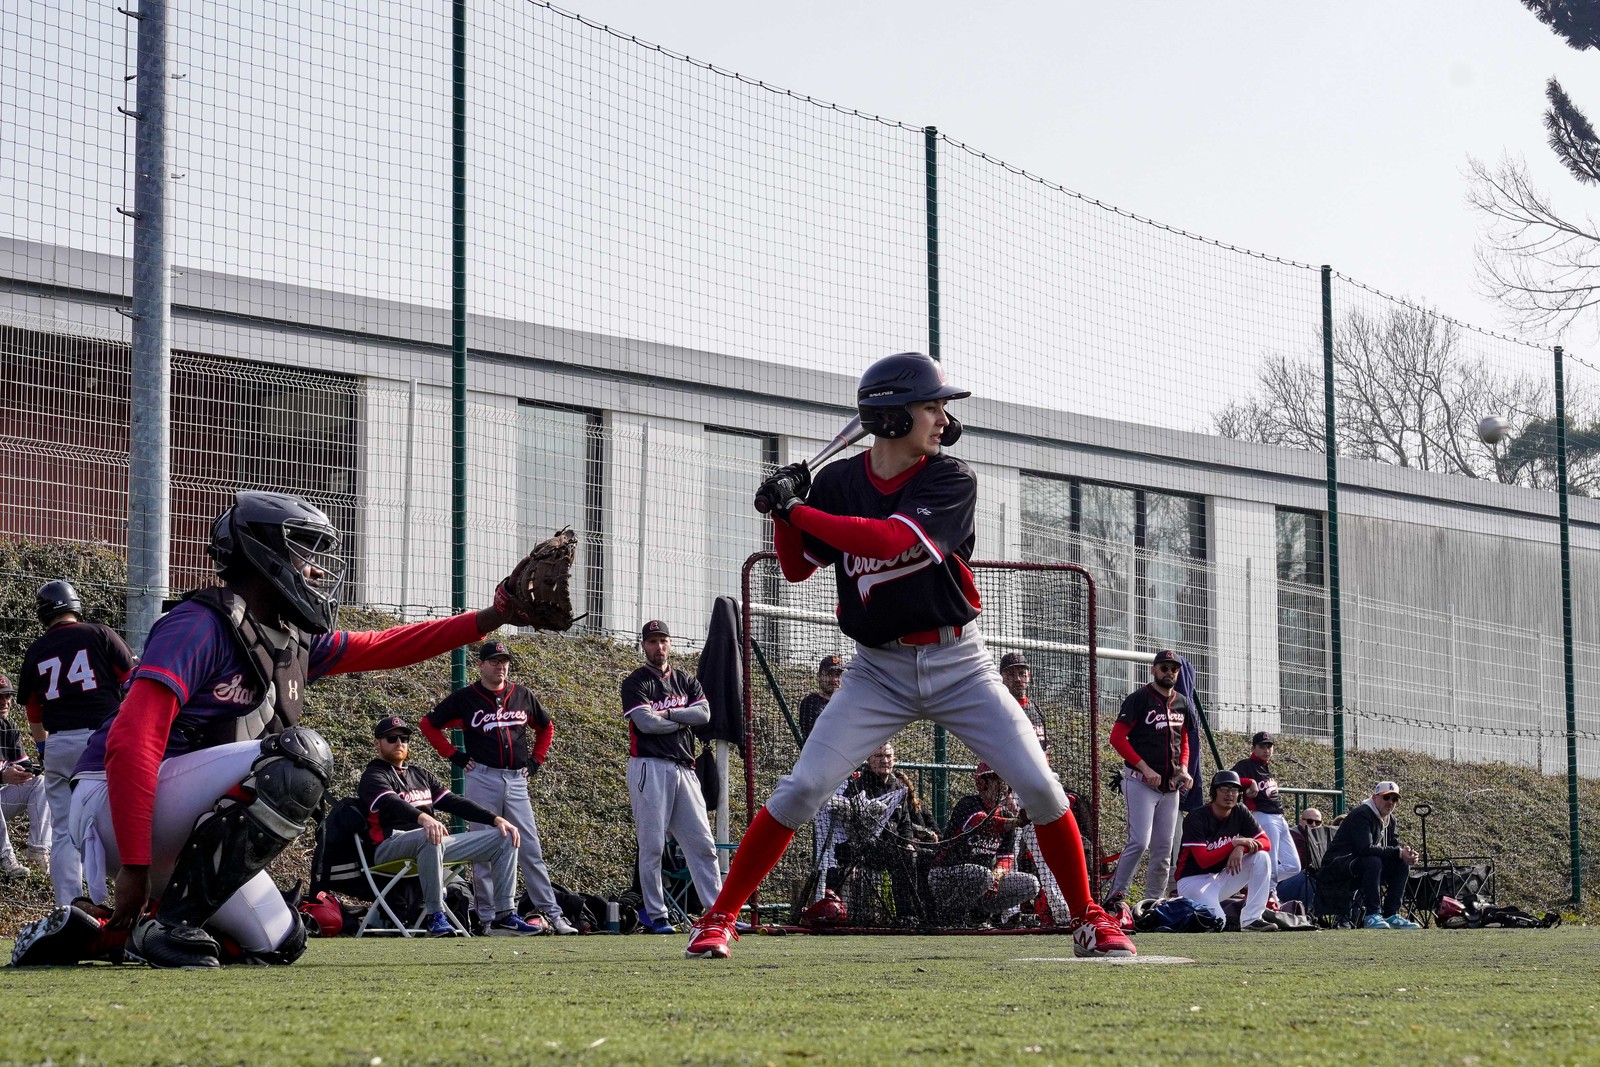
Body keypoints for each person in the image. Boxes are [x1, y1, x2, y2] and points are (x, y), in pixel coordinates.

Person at [684, 351, 1132, 960]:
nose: (943, 419)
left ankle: (1088, 918)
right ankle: (720, 918)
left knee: (1042, 788)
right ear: (892, 417)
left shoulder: (951, 478)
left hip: (959, 664)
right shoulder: (840, 482)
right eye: (931, 406)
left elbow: (896, 541)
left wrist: (798, 509)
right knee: (801, 789)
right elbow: (793, 569)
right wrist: (784, 516)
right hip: (877, 670)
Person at [14, 490, 553, 969]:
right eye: (305, 553)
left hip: (169, 820)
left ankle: (107, 935)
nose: (317, 571)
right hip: (112, 802)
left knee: (281, 941)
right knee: (301, 757)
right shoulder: (198, 624)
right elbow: (131, 742)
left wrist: (494, 612)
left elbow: (388, 645)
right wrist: (132, 866)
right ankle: (165, 917)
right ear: (263, 552)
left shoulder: (284, 637)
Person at [421, 639, 576, 935]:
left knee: (529, 846)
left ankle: (552, 914)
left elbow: (546, 727)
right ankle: (490, 919)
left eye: (504, 660)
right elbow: (429, 724)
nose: (500, 665)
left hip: (517, 779)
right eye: (493, 660)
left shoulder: (522, 695)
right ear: (480, 665)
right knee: (483, 848)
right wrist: (454, 755)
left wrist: (536, 760)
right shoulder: (466, 697)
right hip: (482, 776)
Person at [357, 714, 536, 937]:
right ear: (377, 743)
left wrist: (494, 819)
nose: (399, 743)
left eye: (403, 738)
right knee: (429, 835)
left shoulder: (419, 774)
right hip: (389, 845)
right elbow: (390, 802)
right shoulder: (373, 774)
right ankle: (435, 916)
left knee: (505, 837)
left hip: (432, 843)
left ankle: (504, 916)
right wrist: (424, 819)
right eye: (391, 738)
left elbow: (454, 803)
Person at [18, 580, 133, 907]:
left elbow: (33, 710)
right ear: (76, 605)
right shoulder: (100, 633)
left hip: (60, 744)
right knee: (124, 821)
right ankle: (133, 905)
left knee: (66, 832)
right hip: (104, 740)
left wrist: (43, 749)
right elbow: (133, 680)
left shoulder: (37, 649)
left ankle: (70, 910)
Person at [621, 620, 724, 935]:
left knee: (703, 843)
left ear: (670, 643)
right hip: (649, 767)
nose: (658, 647)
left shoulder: (685, 680)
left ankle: (718, 912)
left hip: (684, 767)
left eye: (663, 640)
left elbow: (704, 714)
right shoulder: (635, 682)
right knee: (652, 846)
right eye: (652, 641)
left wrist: (668, 715)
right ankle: (658, 915)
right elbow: (645, 724)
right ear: (644, 646)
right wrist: (682, 719)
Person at [1104, 649, 1193, 905]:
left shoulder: (1182, 702)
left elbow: (1184, 739)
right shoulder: (1139, 699)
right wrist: (1144, 767)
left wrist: (1184, 767)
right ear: (1154, 670)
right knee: (1139, 842)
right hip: (1140, 782)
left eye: (1174, 668)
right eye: (1164, 668)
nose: (1169, 672)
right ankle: (1115, 898)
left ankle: (1153, 902)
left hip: (1171, 787)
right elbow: (1117, 738)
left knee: (1164, 850)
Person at [927, 765, 1038, 926]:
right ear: (982, 783)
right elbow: (982, 823)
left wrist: (996, 877)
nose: (1002, 785)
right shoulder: (968, 804)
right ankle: (951, 916)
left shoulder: (1005, 815)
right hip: (945, 876)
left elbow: (1006, 858)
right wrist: (1017, 822)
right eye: (996, 780)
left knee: (1030, 884)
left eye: (1004, 781)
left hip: (983, 880)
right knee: (981, 875)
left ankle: (978, 916)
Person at [838, 741, 936, 923]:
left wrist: (908, 841)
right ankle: (905, 914)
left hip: (896, 846)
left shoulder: (898, 787)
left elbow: (905, 823)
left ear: (894, 760)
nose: (884, 760)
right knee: (905, 858)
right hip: (867, 848)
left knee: (929, 856)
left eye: (888, 756)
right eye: (879, 756)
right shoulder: (858, 786)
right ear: (869, 759)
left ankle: (932, 914)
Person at [1173, 770, 1276, 932]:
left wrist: (1241, 847)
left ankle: (1252, 919)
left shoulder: (1240, 811)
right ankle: (1181, 910)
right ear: (1214, 792)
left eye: (1234, 790)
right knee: (1218, 922)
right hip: (1192, 881)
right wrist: (1233, 844)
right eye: (1224, 789)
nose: (1230, 794)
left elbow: (1266, 843)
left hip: (1220, 877)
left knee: (1261, 857)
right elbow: (1203, 860)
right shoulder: (1196, 817)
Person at [1319, 781, 1421, 929]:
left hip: (1364, 867)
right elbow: (1364, 848)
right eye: (1386, 797)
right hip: (1338, 865)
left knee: (1401, 863)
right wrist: (1398, 852)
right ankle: (1373, 914)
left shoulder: (1390, 819)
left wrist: (1407, 854)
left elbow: (1394, 846)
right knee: (1373, 861)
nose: (1390, 802)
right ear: (1375, 798)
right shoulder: (1362, 814)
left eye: (1395, 799)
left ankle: (1391, 914)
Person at [1231, 731, 1301, 899]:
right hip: (1263, 816)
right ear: (1253, 747)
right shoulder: (1247, 765)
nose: (1266, 750)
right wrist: (1249, 782)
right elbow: (1228, 778)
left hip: (1279, 818)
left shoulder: (1265, 767)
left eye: (1269, 746)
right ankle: (1269, 894)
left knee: (1293, 866)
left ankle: (1253, 881)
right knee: (1272, 861)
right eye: (1262, 746)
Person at [0, 674, 50, 879]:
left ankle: (37, 851)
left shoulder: (8, 727)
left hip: (4, 800)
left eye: (8, 696)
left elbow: (24, 764)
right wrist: (3, 776)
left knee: (41, 782)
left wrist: (37, 768)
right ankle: (5, 858)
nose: (5, 702)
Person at [798, 655, 844, 743]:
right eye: (829, 674)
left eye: (838, 675)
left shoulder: (845, 704)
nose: (834, 679)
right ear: (819, 676)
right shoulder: (811, 703)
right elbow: (819, 735)